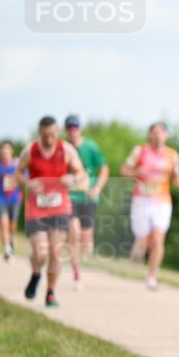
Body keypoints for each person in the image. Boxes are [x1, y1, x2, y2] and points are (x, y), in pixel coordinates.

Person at [15, 116, 88, 307]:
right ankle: (36, 274)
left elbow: (81, 173)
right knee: (40, 253)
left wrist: (73, 179)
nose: (49, 140)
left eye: (53, 135)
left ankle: (50, 293)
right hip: (36, 208)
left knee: (55, 252)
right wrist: (27, 183)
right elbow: (17, 174)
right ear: (39, 133)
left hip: (60, 207)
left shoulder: (67, 150)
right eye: (45, 136)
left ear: (58, 133)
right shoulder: (29, 151)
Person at [120, 122, 179, 290]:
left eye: (160, 133)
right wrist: (136, 172)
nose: (157, 136)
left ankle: (152, 277)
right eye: (154, 133)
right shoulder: (139, 151)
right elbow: (124, 170)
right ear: (150, 135)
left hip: (162, 201)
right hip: (141, 199)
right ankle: (139, 248)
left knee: (158, 238)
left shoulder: (173, 155)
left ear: (166, 135)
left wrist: (177, 180)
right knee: (143, 240)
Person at [64, 114, 109, 290]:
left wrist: (97, 188)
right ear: (66, 130)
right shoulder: (64, 149)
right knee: (73, 233)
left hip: (88, 197)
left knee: (86, 238)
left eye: (75, 127)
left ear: (80, 129)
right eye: (70, 128)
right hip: (70, 197)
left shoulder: (90, 147)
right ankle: (77, 274)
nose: (73, 131)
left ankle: (84, 256)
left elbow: (104, 168)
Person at [0, 142, 22, 261]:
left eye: (7, 152)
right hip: (1, 198)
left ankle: (11, 239)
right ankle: (7, 249)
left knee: (12, 225)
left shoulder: (18, 165)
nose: (5, 155)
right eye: (2, 153)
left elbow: (24, 179)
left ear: (11, 152)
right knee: (3, 223)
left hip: (15, 198)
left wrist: (16, 181)